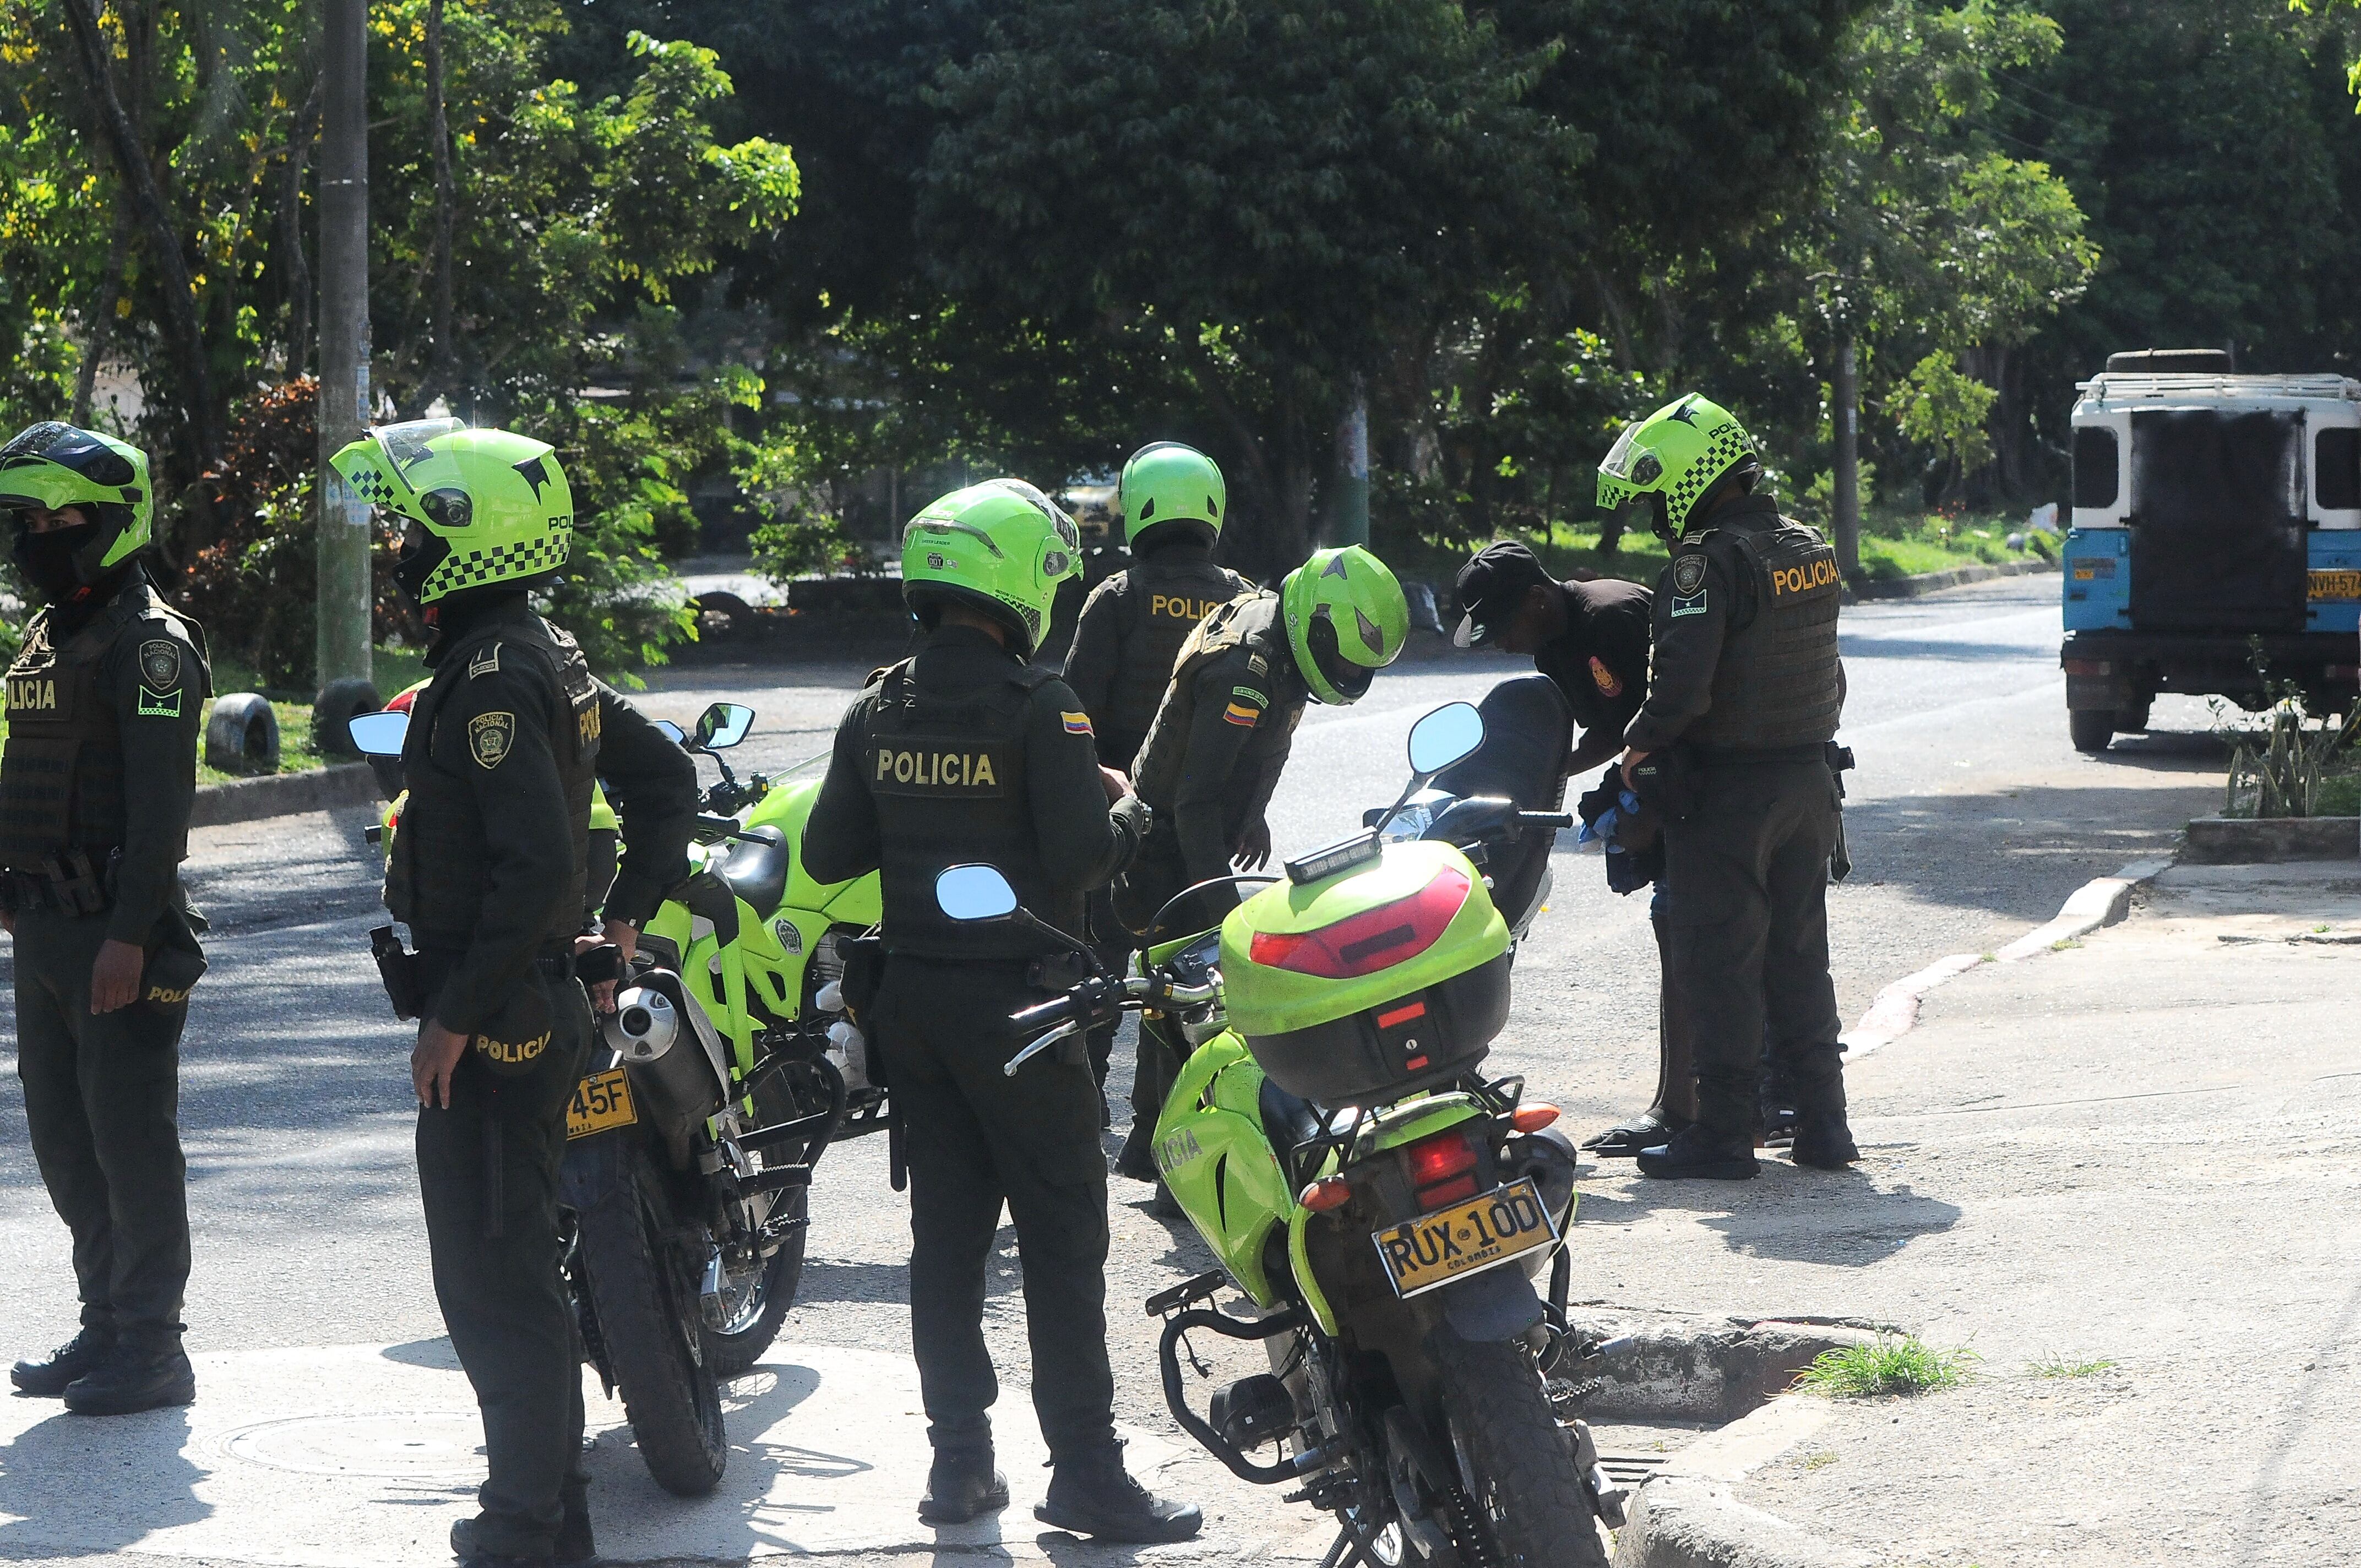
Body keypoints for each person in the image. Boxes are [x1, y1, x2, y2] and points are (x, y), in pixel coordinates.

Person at [802, 479, 1198, 1543]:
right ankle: (1084, 1475)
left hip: (917, 1011)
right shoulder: (1042, 705)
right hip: (1025, 1014)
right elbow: (1082, 855)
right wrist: (1123, 803)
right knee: (1064, 1243)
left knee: (947, 1243)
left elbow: (828, 853)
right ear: (1015, 577)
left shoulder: (876, 705)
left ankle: (959, 1467)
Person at [331, 421, 697, 1568]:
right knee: (511, 1261)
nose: (397, 546)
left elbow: (535, 865)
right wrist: (626, 909)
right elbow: (665, 775)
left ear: (463, 532)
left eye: (410, 525)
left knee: (496, 1279)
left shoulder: (493, 676)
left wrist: (451, 1016)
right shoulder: (543, 649)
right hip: (534, 1000)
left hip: (498, 1020)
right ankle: (552, 1504)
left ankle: (529, 1520)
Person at [1, 423, 210, 1416]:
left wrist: (131, 933)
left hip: (116, 934)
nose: (38, 537)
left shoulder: (149, 645)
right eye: (28, 520)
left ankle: (155, 1345)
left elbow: (162, 811)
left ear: (116, 523)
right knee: (65, 1140)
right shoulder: (52, 636)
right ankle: (106, 1322)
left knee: (130, 1139)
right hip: (43, 928)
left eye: (60, 519)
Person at [1595, 393, 1857, 1181]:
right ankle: (1824, 1126)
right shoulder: (1806, 545)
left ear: (1689, 478)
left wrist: (1636, 755)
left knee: (1722, 961)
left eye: (1654, 495)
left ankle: (1722, 1132)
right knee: (1800, 955)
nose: (1650, 517)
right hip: (1810, 781)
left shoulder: (1701, 566)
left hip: (1731, 795)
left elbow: (1681, 690)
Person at [1112, 545, 1408, 1183]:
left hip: (1200, 829)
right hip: (1172, 845)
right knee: (1197, 1004)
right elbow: (1193, 802)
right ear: (1315, 622)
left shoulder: (1278, 640)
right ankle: (1179, 1166)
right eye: (1343, 654)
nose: (1346, 671)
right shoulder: (1243, 670)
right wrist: (1229, 917)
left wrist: (1252, 812)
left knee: (1173, 1003)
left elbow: (1243, 753)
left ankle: (1146, 1144)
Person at [1449, 539, 1700, 1155]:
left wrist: (1635, 796)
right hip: (1661, 783)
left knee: (1690, 937)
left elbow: (1664, 719)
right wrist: (1539, 772)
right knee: (1675, 934)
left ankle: (1691, 1110)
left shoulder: (1609, 617)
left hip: (1700, 789)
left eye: (1505, 626)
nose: (1504, 644)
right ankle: (1676, 1106)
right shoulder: (1551, 645)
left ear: (1538, 598)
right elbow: (1606, 731)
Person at [1062, 443, 1248, 1129]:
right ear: (1212, 511)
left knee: (1103, 969)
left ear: (1135, 509)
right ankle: (1163, 1126)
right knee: (1188, 982)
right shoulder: (1241, 599)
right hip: (1204, 831)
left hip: (1120, 821)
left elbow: (1072, 718)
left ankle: (1082, 1118)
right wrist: (1246, 817)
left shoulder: (1115, 597)